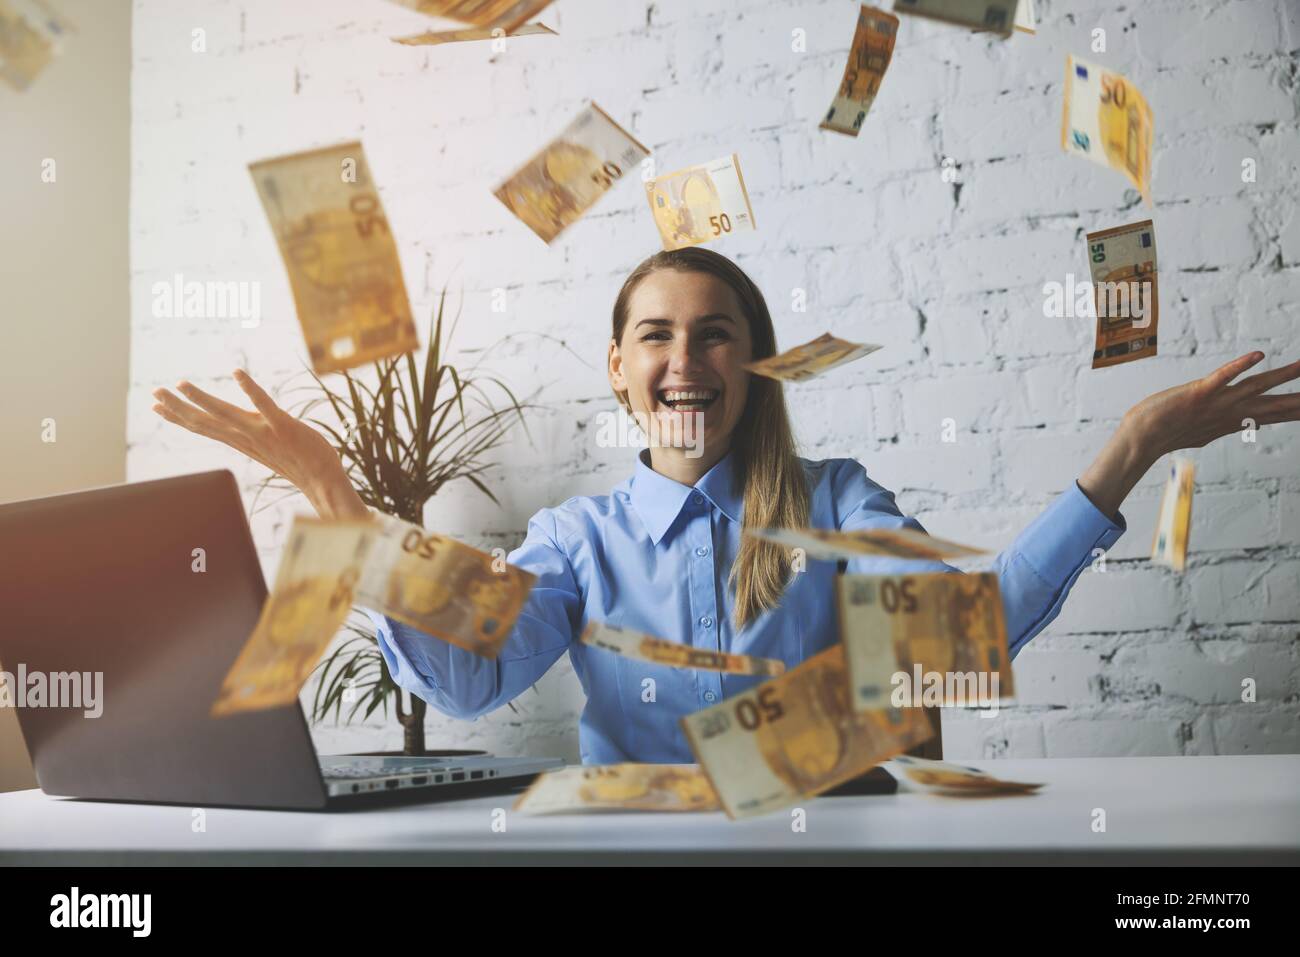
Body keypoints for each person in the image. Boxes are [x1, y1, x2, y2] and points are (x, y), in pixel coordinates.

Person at [152, 247, 1300, 764]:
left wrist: (1132, 447)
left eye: (715, 333)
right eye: (655, 333)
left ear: (755, 367)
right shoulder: (573, 542)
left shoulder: (837, 503)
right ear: (618, 367)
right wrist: (330, 497)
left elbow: (968, 638)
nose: (685, 357)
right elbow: (465, 681)